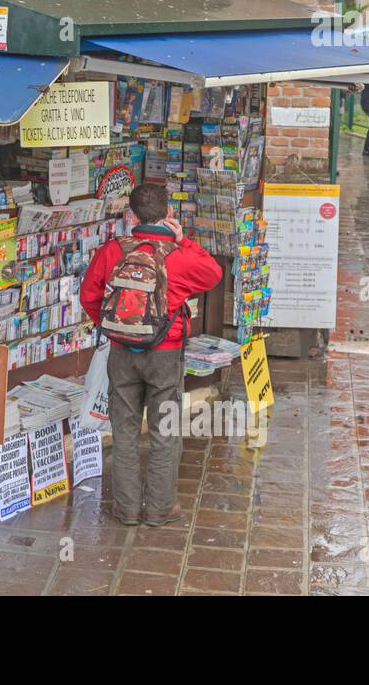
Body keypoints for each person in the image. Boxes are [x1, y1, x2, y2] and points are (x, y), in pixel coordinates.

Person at [80, 183, 222, 527]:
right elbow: (214, 274)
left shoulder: (112, 250)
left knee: (124, 431)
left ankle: (127, 508)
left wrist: (115, 327)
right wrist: (183, 239)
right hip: (165, 353)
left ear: (131, 216)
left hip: (121, 354)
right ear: (168, 213)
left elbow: (88, 295)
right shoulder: (180, 255)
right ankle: (160, 507)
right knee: (165, 430)